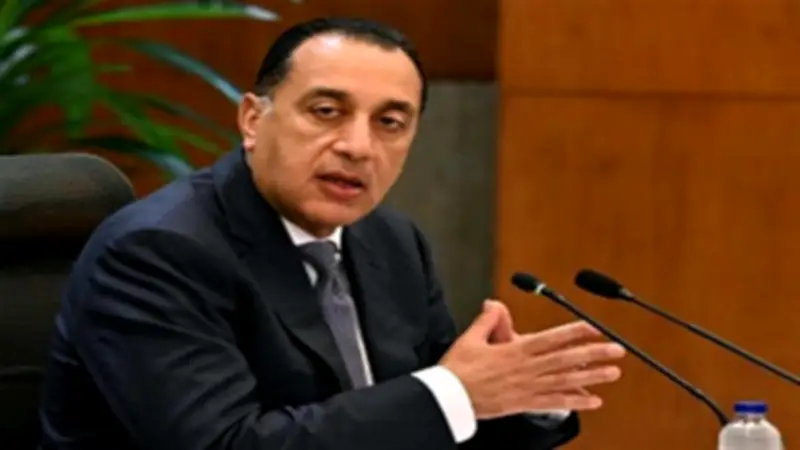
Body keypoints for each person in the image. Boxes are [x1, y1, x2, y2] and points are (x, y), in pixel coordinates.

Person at [38, 17, 627, 450]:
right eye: (326, 112)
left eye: (390, 122)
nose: (358, 146)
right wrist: (455, 392)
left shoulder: (390, 241)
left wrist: (526, 396)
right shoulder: (158, 252)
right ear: (252, 119)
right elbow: (228, 446)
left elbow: (423, 424)